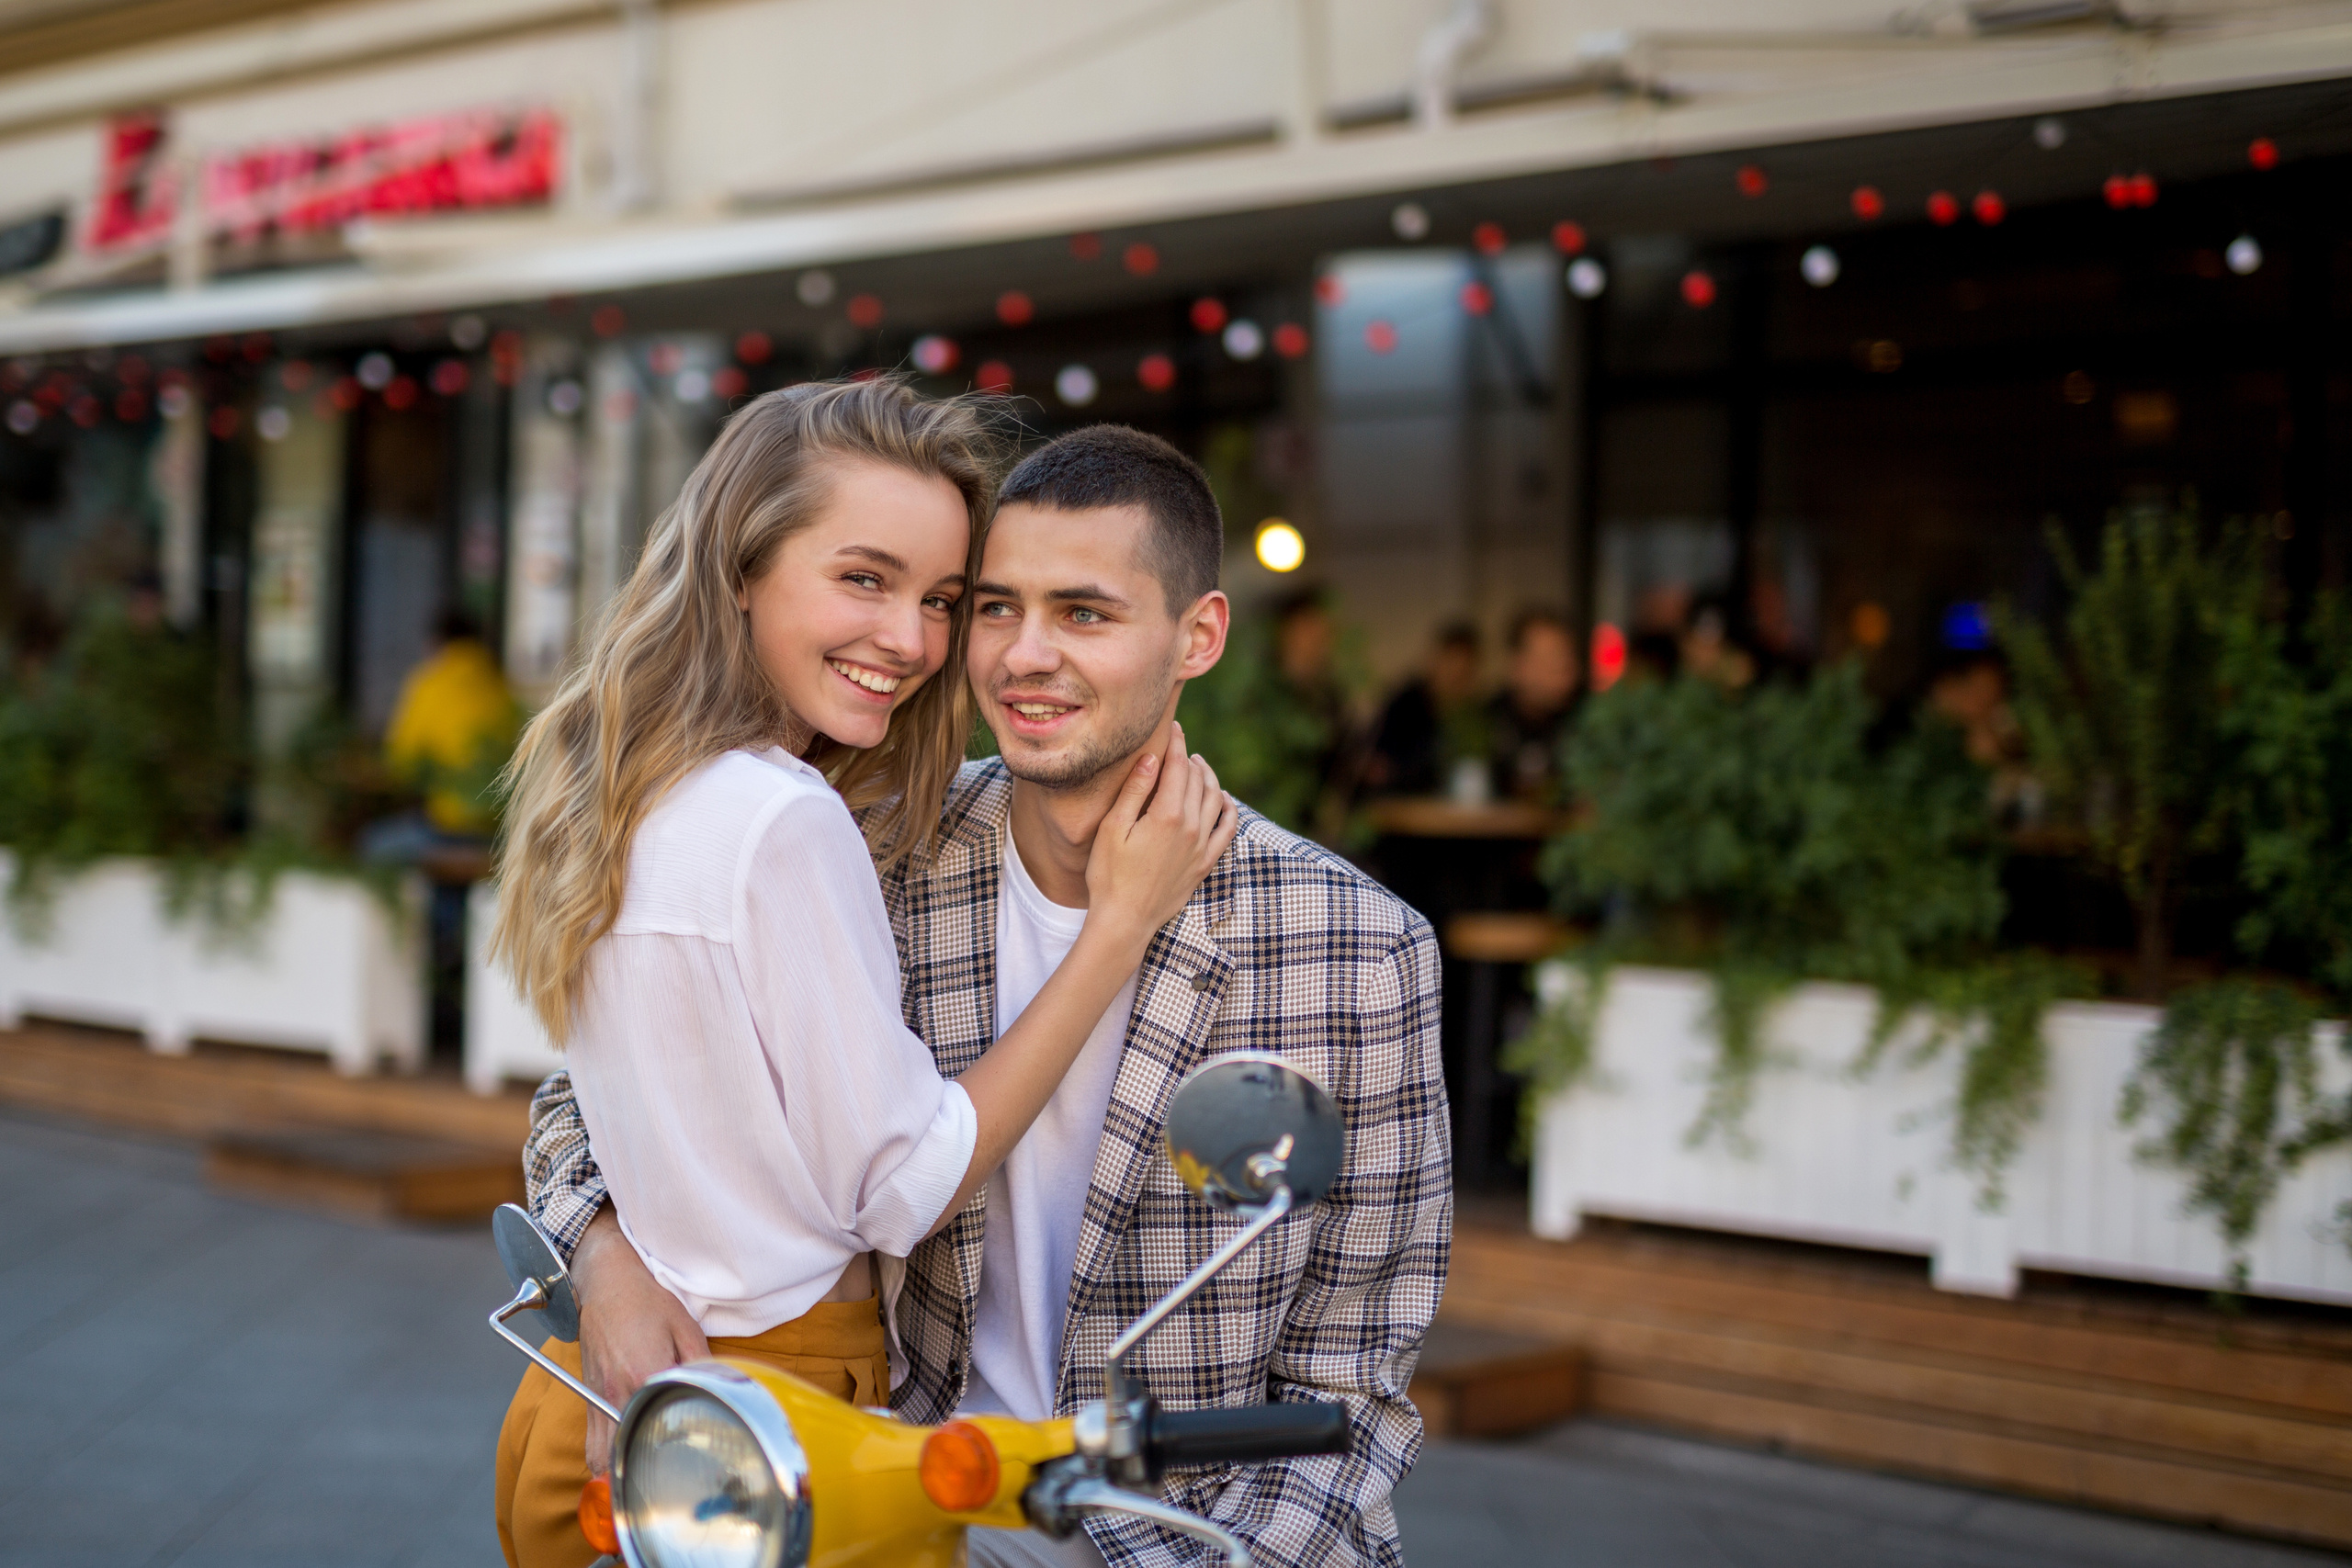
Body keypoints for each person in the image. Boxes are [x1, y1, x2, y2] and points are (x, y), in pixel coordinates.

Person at [521, 424, 1451, 1568]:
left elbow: (1351, 1391)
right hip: (894, 1502)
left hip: (1184, 1533)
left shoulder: (1353, 948)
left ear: (1196, 636)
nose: (1022, 655)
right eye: (995, 608)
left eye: (1085, 614)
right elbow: (596, 1094)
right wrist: (603, 1260)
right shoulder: (864, 849)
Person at [383, 607, 522, 839]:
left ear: (436, 642)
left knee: (374, 843)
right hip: (499, 823)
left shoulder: (429, 684)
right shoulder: (500, 685)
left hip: (447, 823)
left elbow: (402, 760)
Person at [1362, 618, 1481, 797]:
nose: (1454, 679)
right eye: (1450, 666)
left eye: (1463, 673)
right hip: (1399, 809)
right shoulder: (1405, 707)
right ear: (1434, 661)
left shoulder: (1474, 716)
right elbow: (1377, 767)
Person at [1485, 607, 1581, 802]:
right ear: (1517, 665)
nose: (1563, 668)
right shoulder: (1484, 723)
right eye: (1550, 658)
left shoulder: (1588, 719)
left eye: (1567, 656)